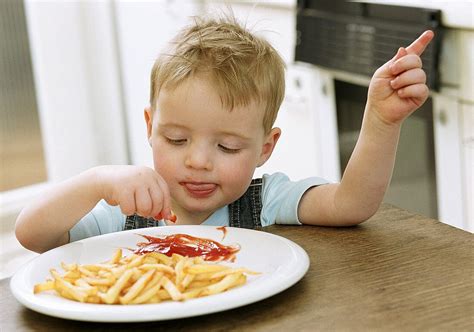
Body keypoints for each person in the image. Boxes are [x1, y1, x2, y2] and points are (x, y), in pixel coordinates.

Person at [15, 15, 434, 253]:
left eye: (228, 146)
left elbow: (351, 204)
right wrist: (96, 181)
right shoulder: (128, 210)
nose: (198, 160)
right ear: (149, 127)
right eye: (176, 140)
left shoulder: (266, 199)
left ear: (265, 148)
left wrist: (381, 122)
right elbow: (31, 235)